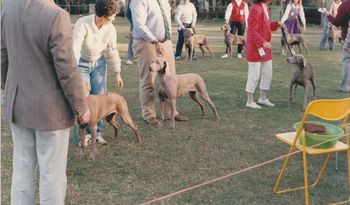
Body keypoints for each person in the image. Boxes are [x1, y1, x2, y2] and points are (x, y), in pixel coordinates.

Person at [1, 0, 90, 204]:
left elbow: (2, 56)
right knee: (52, 174)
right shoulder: (56, 15)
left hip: (17, 103)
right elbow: (67, 69)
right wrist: (81, 106)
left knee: (22, 169)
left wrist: (10, 86)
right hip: (51, 110)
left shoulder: (7, 7)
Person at [73, 0, 124, 145]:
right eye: (113, 15)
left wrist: (117, 72)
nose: (114, 18)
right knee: (84, 98)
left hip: (99, 64)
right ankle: (83, 136)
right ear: (104, 15)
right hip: (81, 63)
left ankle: (97, 133)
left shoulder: (110, 29)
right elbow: (75, 47)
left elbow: (112, 51)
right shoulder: (83, 23)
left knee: (100, 98)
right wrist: (75, 70)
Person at [130, 0, 188, 125]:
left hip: (165, 42)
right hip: (146, 43)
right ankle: (149, 115)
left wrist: (163, 41)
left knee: (170, 78)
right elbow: (139, 24)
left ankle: (170, 112)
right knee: (149, 80)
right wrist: (154, 40)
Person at [245, 0, 281, 109]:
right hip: (256, 47)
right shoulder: (255, 8)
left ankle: (263, 98)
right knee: (254, 75)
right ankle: (249, 101)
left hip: (265, 47)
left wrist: (276, 24)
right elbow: (252, 30)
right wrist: (263, 43)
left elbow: (266, 25)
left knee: (268, 73)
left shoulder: (264, 7)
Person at [327, 0, 350, 93]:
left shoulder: (346, 4)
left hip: (348, 37)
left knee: (347, 61)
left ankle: (345, 87)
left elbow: (337, 22)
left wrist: (328, 16)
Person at [125, 0, 134, 65]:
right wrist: (134, 22)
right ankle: (130, 58)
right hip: (135, 21)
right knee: (132, 39)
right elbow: (128, 13)